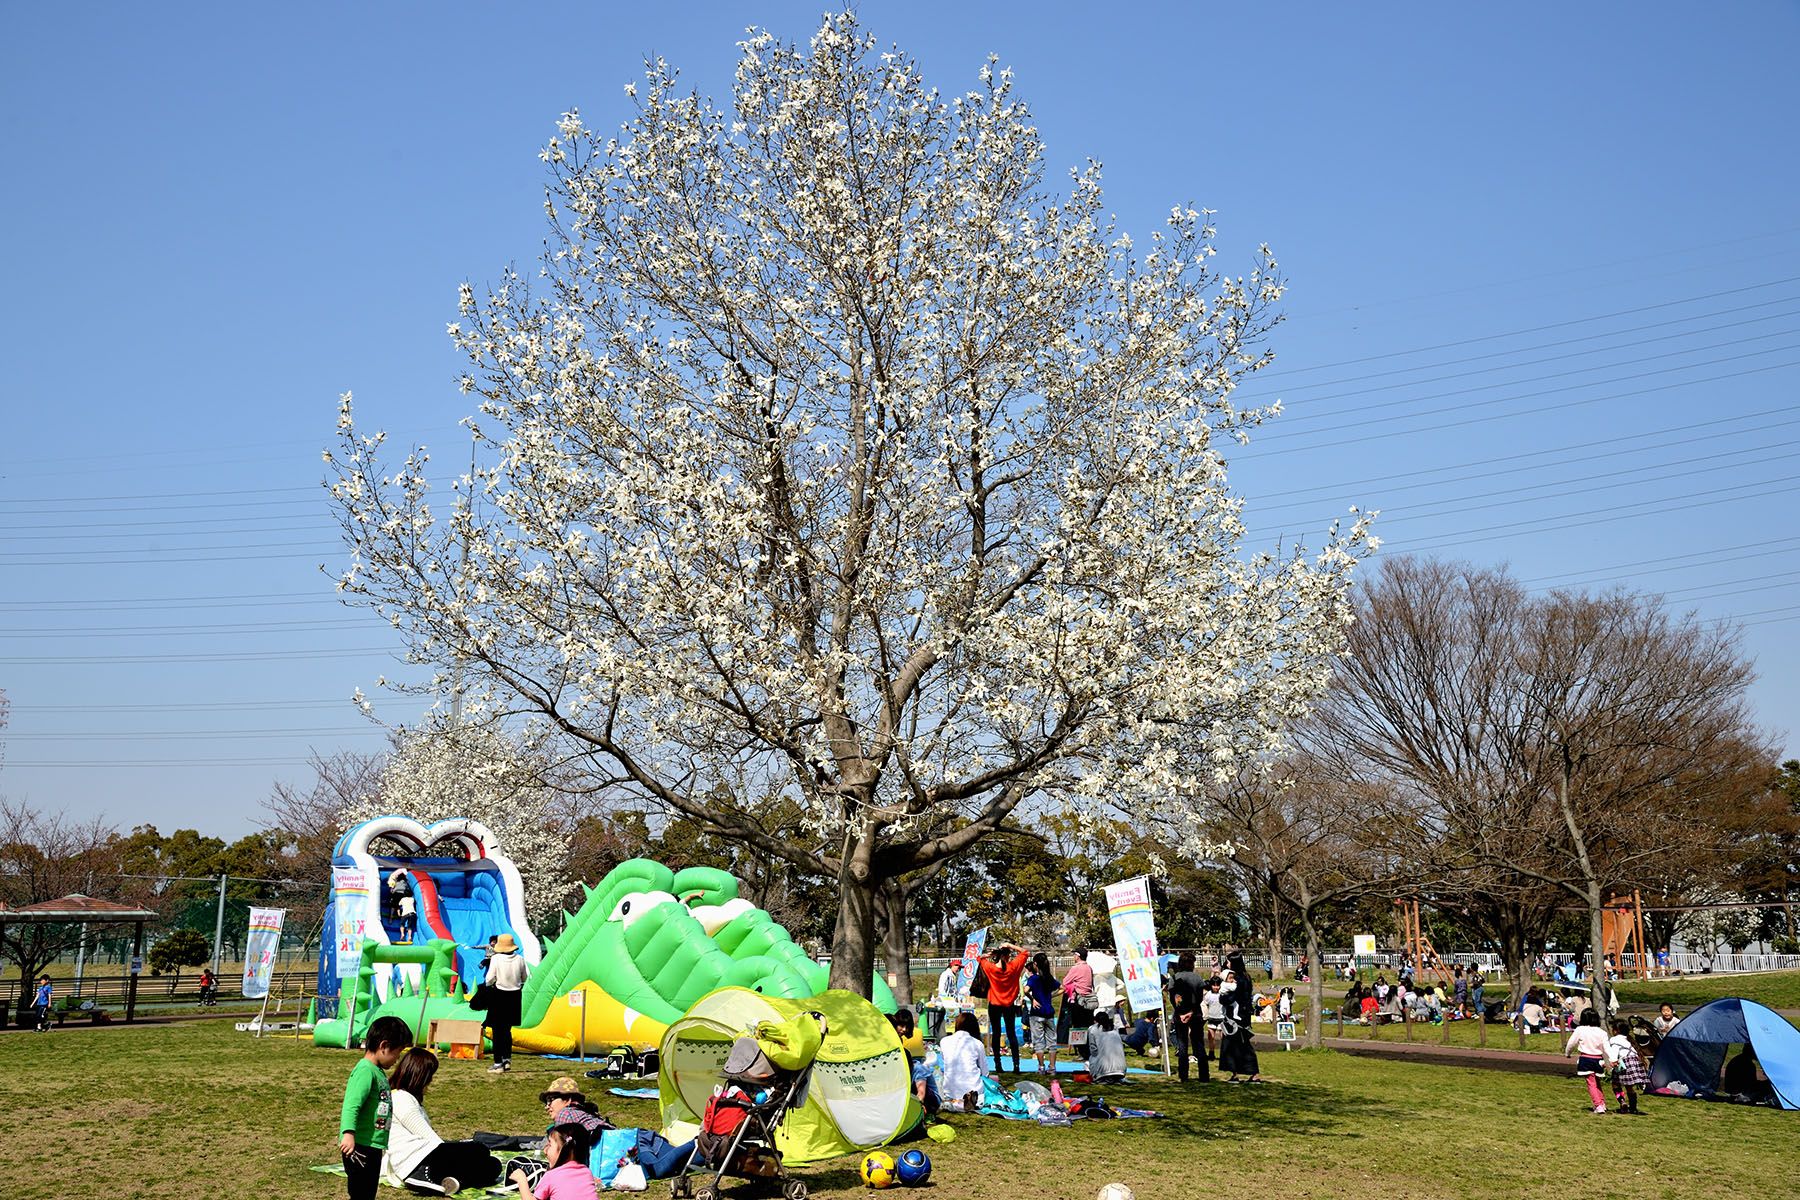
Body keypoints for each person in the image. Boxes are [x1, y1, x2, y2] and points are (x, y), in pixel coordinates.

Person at [386, 1047, 504, 1192]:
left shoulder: (406, 1097)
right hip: (415, 1157)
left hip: (422, 1154)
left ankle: (448, 1180)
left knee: (493, 1165)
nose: (430, 1080)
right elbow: (428, 1137)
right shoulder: (402, 1098)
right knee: (479, 1149)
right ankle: (422, 1174)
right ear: (420, 1075)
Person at [338, 1015, 413, 1200]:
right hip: (359, 1147)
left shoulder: (377, 1071)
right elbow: (351, 1105)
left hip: (372, 1146)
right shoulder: (365, 1070)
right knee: (361, 1193)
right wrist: (348, 1133)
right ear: (384, 1046)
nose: (398, 1058)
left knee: (368, 1192)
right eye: (398, 1051)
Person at [509, 1123, 597, 1200]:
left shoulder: (551, 1176)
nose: (545, 1150)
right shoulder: (586, 1172)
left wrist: (521, 1180)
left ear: (567, 1150)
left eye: (550, 1144)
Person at [978, 941, 1028, 1074]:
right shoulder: (1014, 967)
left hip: (994, 1003)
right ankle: (1016, 1065)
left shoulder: (991, 968)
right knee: (1011, 1034)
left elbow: (979, 958)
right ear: (1008, 956)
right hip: (1009, 1004)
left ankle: (998, 1064)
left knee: (996, 1033)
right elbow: (1024, 952)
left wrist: (990, 954)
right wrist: (1010, 945)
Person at [484, 933, 530, 1073]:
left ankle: (498, 1063)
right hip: (515, 997)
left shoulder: (496, 959)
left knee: (497, 1031)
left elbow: (489, 979)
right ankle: (507, 1059)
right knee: (507, 1030)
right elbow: (525, 977)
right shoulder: (520, 959)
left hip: (499, 996)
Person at [1217, 950, 1261, 1082]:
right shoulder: (1246, 978)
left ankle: (1246, 1073)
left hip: (1235, 1018)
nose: (1227, 963)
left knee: (1236, 1045)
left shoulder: (1238, 981)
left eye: (1229, 961)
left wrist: (1222, 998)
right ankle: (1239, 1073)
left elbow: (1230, 998)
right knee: (1239, 1045)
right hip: (1243, 1016)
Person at [1167, 953, 1208, 1084]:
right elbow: (1200, 997)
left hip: (1180, 1014)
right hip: (1195, 1013)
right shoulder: (1197, 978)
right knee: (1199, 1045)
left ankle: (1183, 1075)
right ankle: (1204, 1076)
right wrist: (1191, 1011)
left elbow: (1173, 997)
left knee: (1182, 1044)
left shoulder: (1175, 978)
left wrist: (1180, 1012)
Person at [1562, 1009, 1613, 1114]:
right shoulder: (1602, 1032)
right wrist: (1613, 1059)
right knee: (1597, 1082)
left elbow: (1571, 1043)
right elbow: (1607, 1048)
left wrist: (1567, 1053)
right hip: (1598, 1059)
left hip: (1586, 1059)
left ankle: (1598, 1105)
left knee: (1591, 1084)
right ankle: (1602, 1103)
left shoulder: (1580, 1029)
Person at [937, 1012, 988, 1112]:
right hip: (974, 1091)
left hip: (949, 1092)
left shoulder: (944, 1041)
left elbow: (945, 1062)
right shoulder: (977, 1044)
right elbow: (985, 1072)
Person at [1023, 952, 1060, 1075]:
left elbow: (1025, 990)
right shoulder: (1049, 978)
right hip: (1049, 1013)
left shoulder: (1033, 979)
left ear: (1035, 964)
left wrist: (1033, 999)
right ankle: (1053, 1067)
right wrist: (1051, 996)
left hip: (1037, 1013)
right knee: (1052, 1042)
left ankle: (1041, 1066)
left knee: (1038, 1041)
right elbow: (1062, 988)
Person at [541, 1077, 613, 1139]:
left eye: (550, 1100)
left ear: (567, 1100)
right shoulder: (586, 1113)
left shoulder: (565, 1114)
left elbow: (559, 1149)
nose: (547, 1107)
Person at [1606, 1018, 1649, 1115]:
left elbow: (1614, 1052)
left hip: (1624, 1063)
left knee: (1615, 1085)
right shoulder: (1629, 1040)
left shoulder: (1615, 1040)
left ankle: (1622, 1101)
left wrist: (1612, 1061)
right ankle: (1633, 1108)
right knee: (1629, 1087)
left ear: (1615, 1031)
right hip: (1634, 1062)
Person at [1058, 947, 1096, 1058]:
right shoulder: (1089, 968)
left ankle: (1083, 1052)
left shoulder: (1076, 968)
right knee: (1088, 1026)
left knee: (1079, 1027)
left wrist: (1074, 984)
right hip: (1089, 1000)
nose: (1073, 956)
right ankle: (1090, 1050)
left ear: (1078, 956)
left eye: (1074, 954)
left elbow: (1065, 981)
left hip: (1078, 1001)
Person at [1087, 1011, 1127, 1084]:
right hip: (1121, 1069)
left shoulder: (1093, 1029)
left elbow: (1093, 1050)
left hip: (1103, 1070)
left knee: (1090, 1060)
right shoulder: (1115, 1028)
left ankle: (1103, 1076)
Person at [1202, 977, 1225, 1056]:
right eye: (1214, 985)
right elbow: (1206, 1003)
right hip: (1211, 1018)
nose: (1216, 987)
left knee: (1223, 1038)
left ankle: (1224, 1054)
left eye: (1218, 985)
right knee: (1211, 1037)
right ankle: (1211, 1053)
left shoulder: (1222, 993)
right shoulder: (1208, 994)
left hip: (1221, 1018)